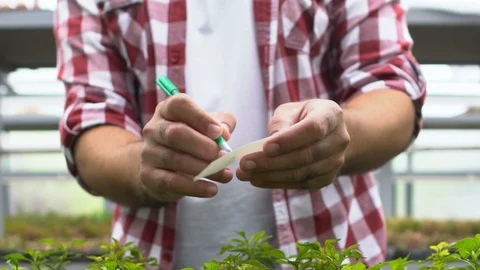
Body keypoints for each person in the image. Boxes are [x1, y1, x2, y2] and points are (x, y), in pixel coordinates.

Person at [54, 0, 427, 269]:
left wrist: (339, 134)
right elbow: (90, 124)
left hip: (331, 251)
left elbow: (391, 89)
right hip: (149, 255)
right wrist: (145, 165)